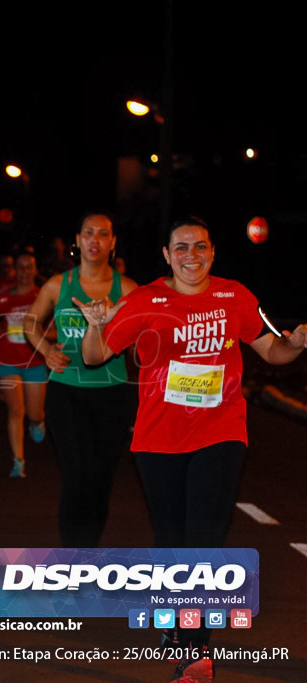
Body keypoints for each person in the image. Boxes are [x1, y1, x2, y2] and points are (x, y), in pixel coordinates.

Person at [75, 217, 307, 682]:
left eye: (199, 247)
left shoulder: (235, 297)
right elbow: (94, 356)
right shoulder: (144, 301)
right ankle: (175, 620)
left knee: (203, 542)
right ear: (166, 255)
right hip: (157, 439)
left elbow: (271, 351)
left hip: (220, 432)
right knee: (171, 541)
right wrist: (96, 327)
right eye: (181, 248)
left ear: (213, 251)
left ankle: (195, 651)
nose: (191, 256)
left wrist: (296, 344)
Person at [24, 212, 138, 547]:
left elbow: (144, 336)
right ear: (77, 240)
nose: (95, 240)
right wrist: (45, 349)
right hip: (66, 392)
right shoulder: (59, 284)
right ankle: (72, 556)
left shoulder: (127, 289)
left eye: (103, 234)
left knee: (101, 479)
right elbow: (30, 321)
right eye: (88, 233)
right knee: (76, 475)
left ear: (112, 243)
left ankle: (89, 552)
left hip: (113, 393)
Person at [0, 252, 46, 478]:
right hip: (7, 359)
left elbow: (53, 327)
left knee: (34, 412)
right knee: (15, 410)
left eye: (29, 267)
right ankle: (18, 460)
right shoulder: (2, 298)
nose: (24, 271)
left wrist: (50, 342)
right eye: (20, 267)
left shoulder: (42, 296)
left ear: (35, 270)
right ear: (14, 270)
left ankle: (37, 422)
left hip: (35, 360)